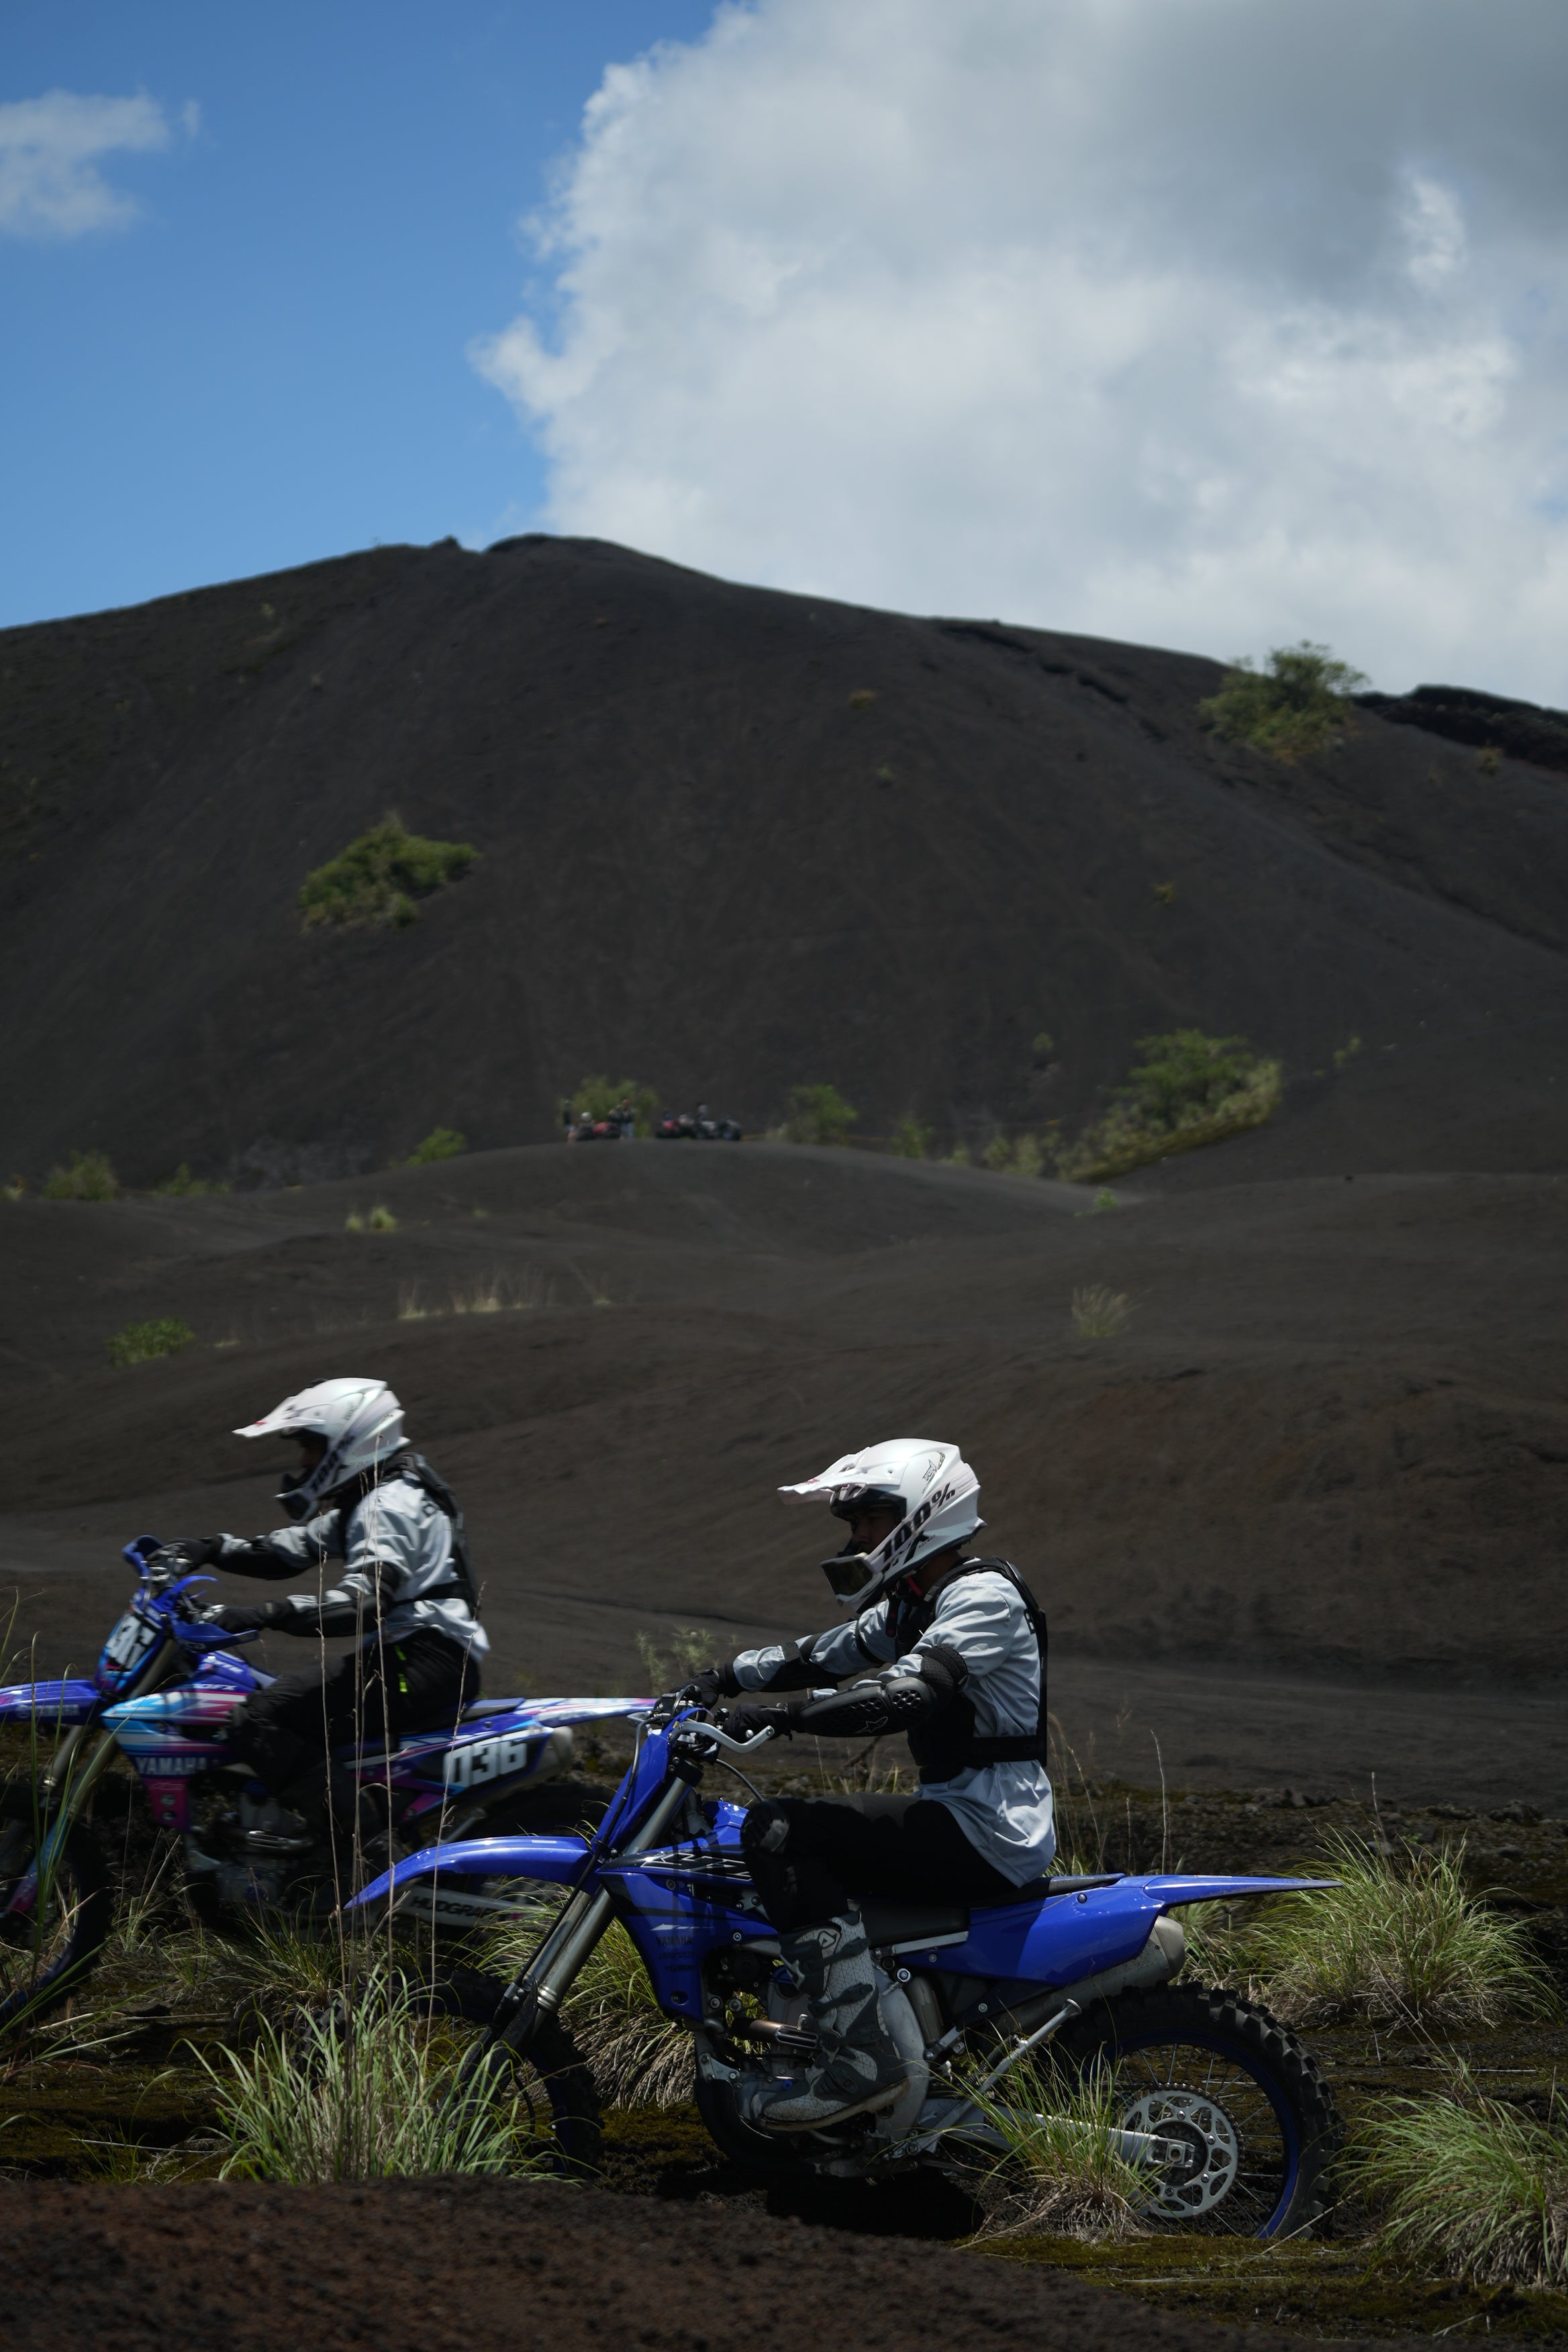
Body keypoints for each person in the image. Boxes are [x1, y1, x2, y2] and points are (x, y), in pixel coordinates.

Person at [683, 1438, 1052, 2130]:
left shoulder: (981, 1597)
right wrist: (720, 1677)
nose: (858, 1537)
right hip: (960, 1815)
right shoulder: (914, 1603)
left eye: (872, 1520)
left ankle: (862, 2062)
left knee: (780, 1832)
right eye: (854, 1523)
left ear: (924, 1514)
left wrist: (779, 1720)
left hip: (990, 1827)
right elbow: (820, 1654)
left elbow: (906, 1693)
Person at [163, 1377, 487, 1891]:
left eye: (313, 1447)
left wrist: (262, 1614)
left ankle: (373, 1863)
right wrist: (206, 1547)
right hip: (422, 1657)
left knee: (262, 1717)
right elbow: (286, 1551)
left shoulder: (389, 1505)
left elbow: (365, 1601)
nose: (306, 1462)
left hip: (421, 1661)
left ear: (350, 1442)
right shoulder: (375, 1496)